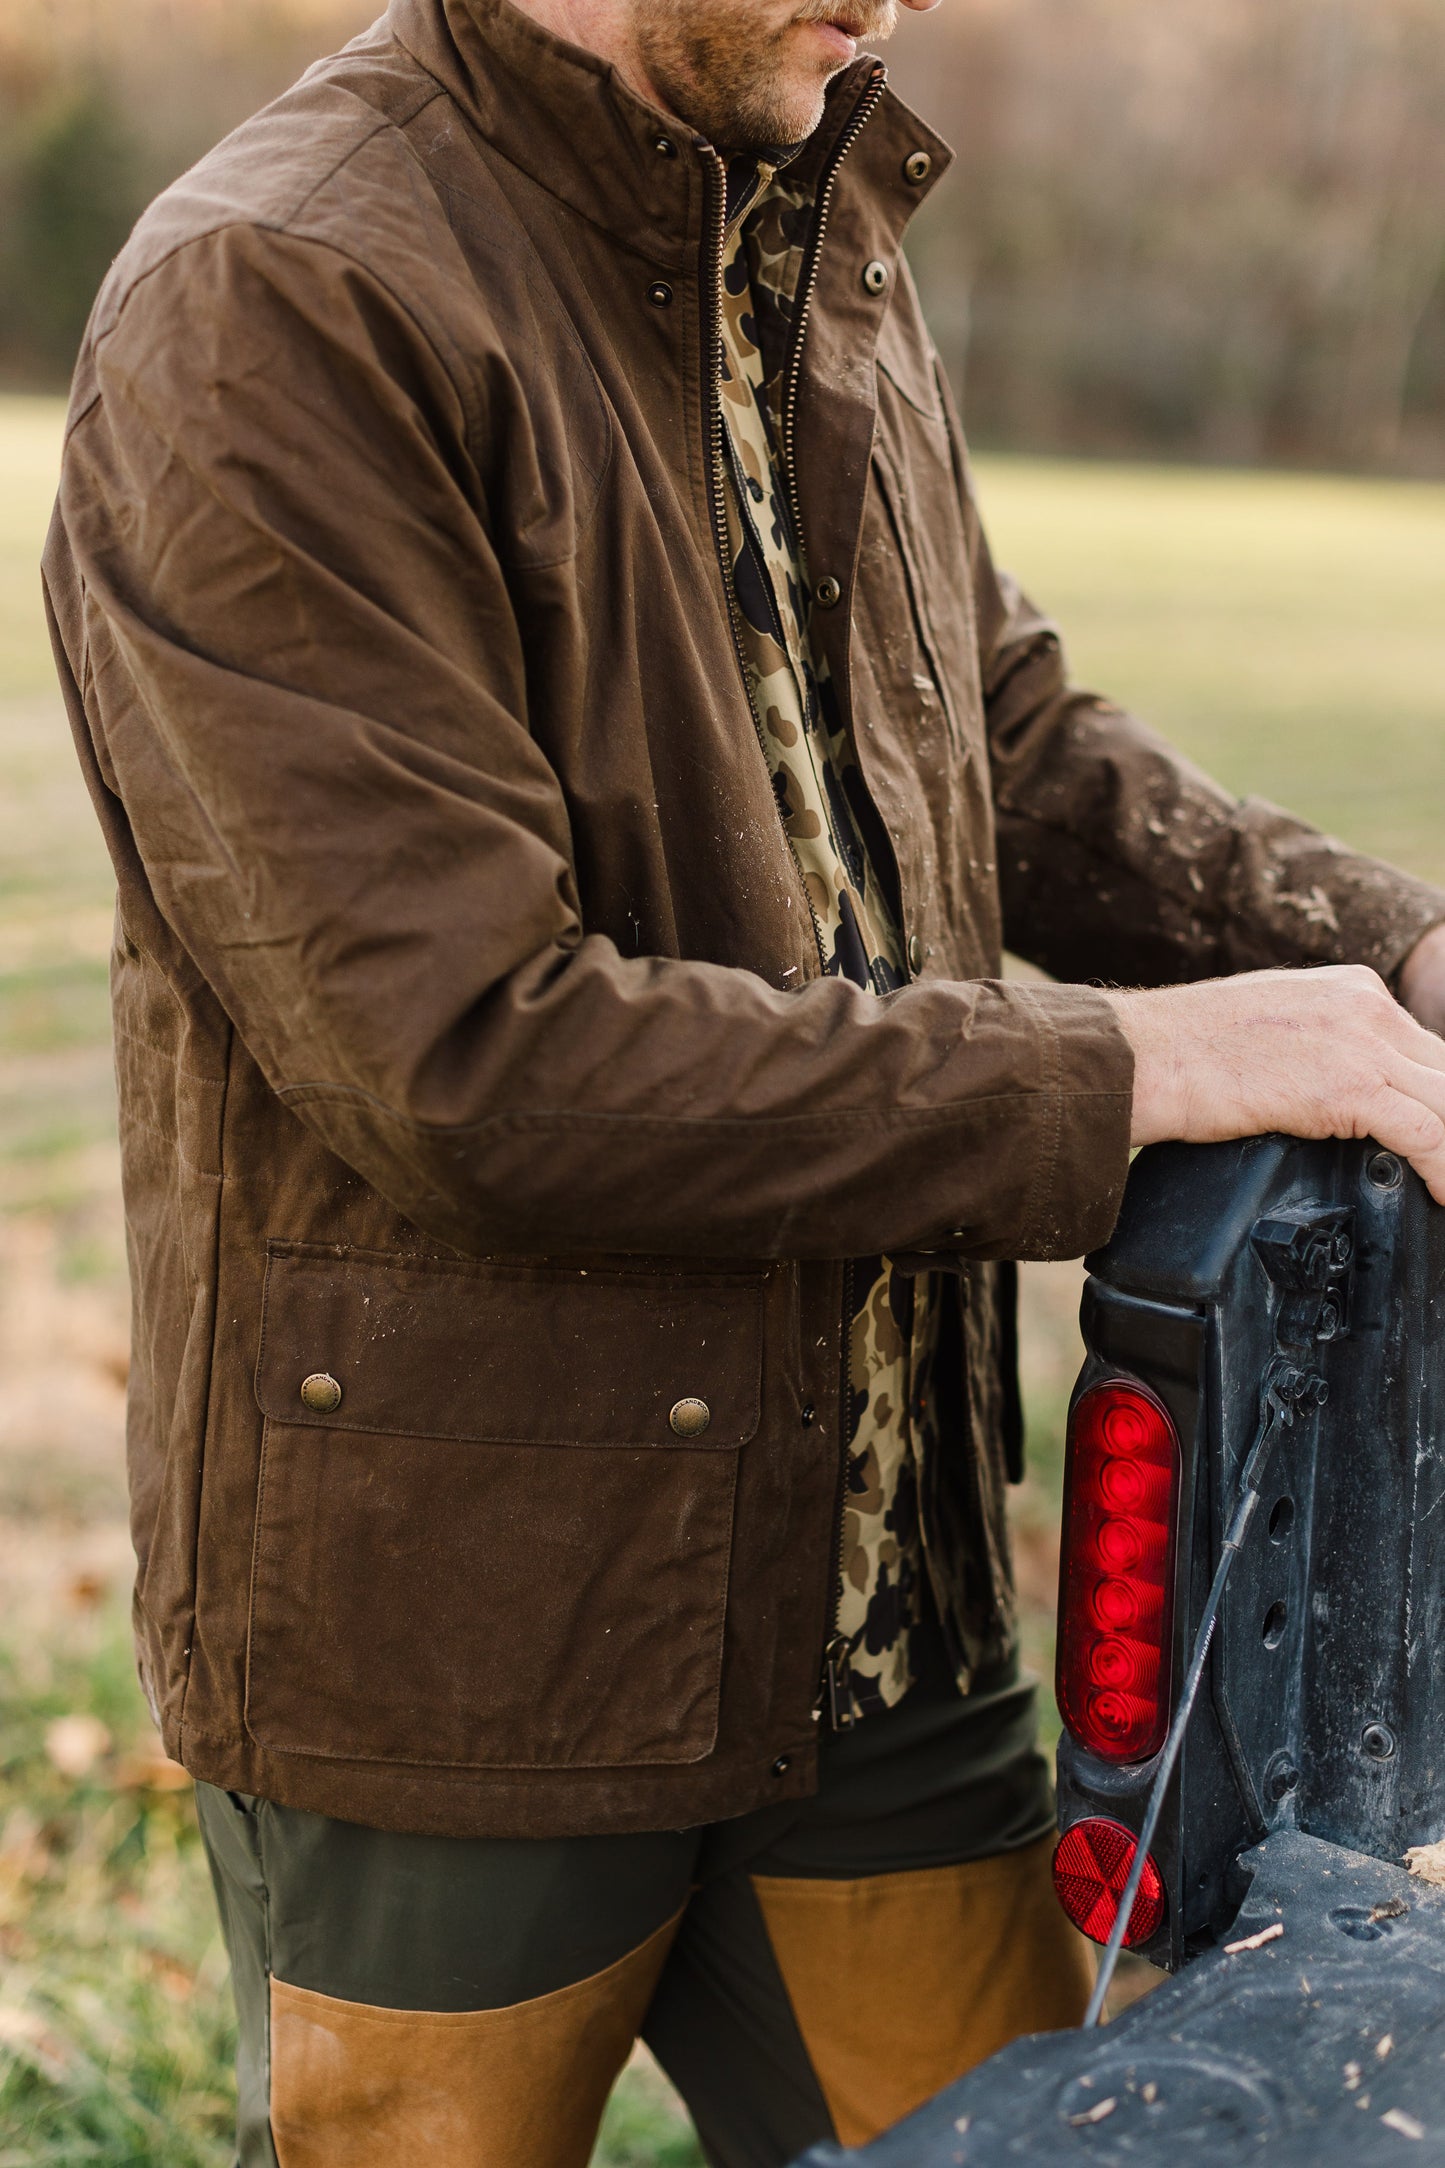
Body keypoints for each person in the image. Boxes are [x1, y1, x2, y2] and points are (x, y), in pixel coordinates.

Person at [42, 0, 1445, 2161]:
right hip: (474, 1634)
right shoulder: (279, 296)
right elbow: (472, 1059)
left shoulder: (808, 222)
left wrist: (1394, 946)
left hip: (883, 1603)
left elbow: (1011, 745)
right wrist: (1135, 1068)